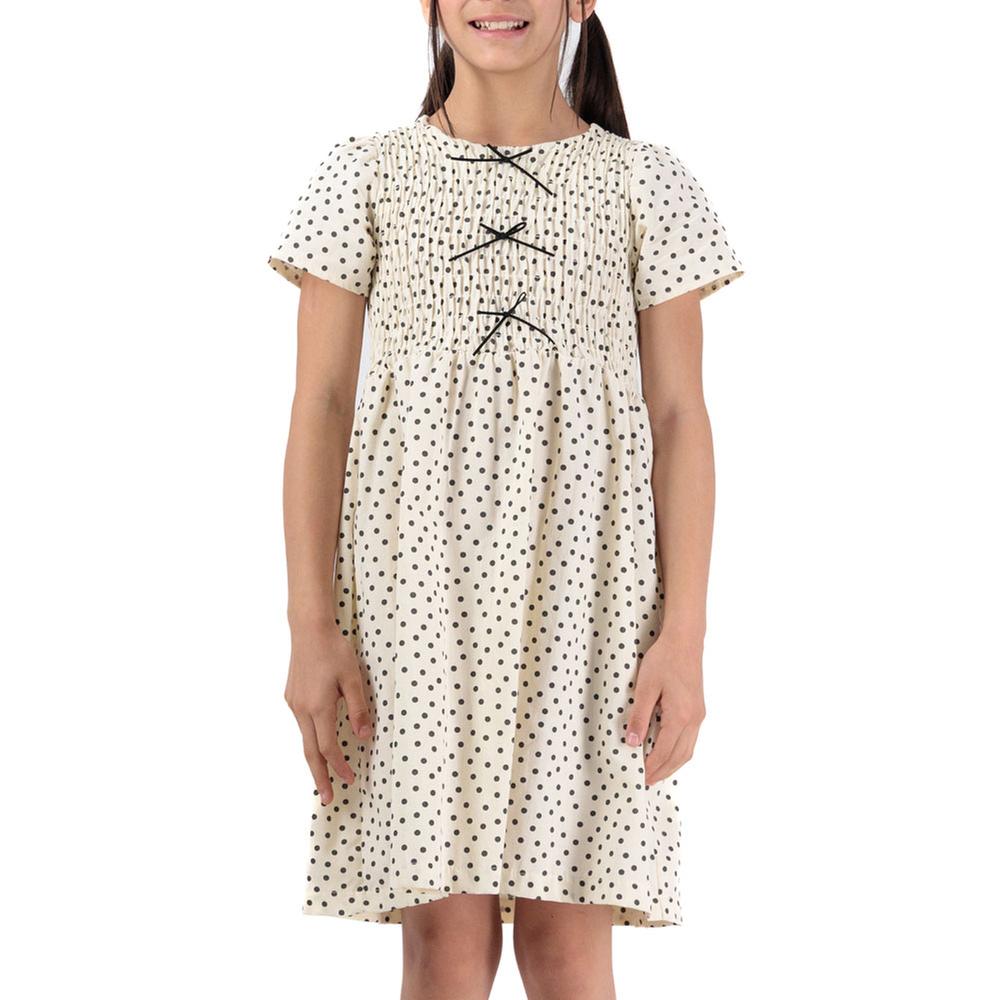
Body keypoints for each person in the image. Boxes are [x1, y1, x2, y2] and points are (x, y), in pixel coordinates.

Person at [266, 2, 744, 996]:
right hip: (413, 608)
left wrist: (684, 638)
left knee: (569, 947)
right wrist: (312, 629)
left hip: (591, 609)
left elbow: (678, 419)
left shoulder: (644, 183)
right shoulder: (366, 174)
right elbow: (319, 406)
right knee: (443, 947)